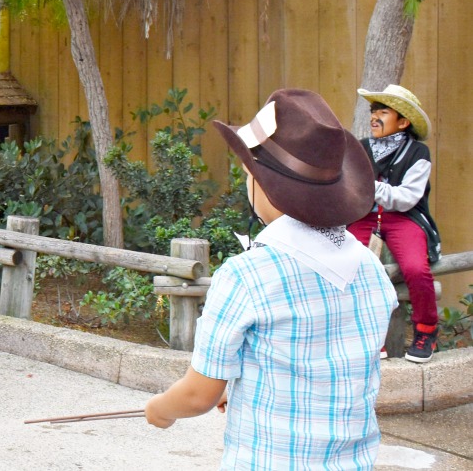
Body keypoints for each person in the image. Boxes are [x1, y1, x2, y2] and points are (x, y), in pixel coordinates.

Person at [144, 89, 397, 470]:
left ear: (265, 187)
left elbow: (198, 395)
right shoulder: (370, 268)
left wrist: (161, 409)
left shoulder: (247, 276)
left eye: (249, 174)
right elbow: (331, 366)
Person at [348, 84, 440, 362]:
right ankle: (367, 336)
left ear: (403, 121)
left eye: (383, 112)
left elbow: (406, 198)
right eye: (373, 110)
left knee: (415, 268)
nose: (374, 116)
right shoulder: (360, 148)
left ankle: (426, 330)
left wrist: (369, 186)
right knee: (348, 267)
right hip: (363, 216)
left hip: (403, 217)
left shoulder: (418, 154)